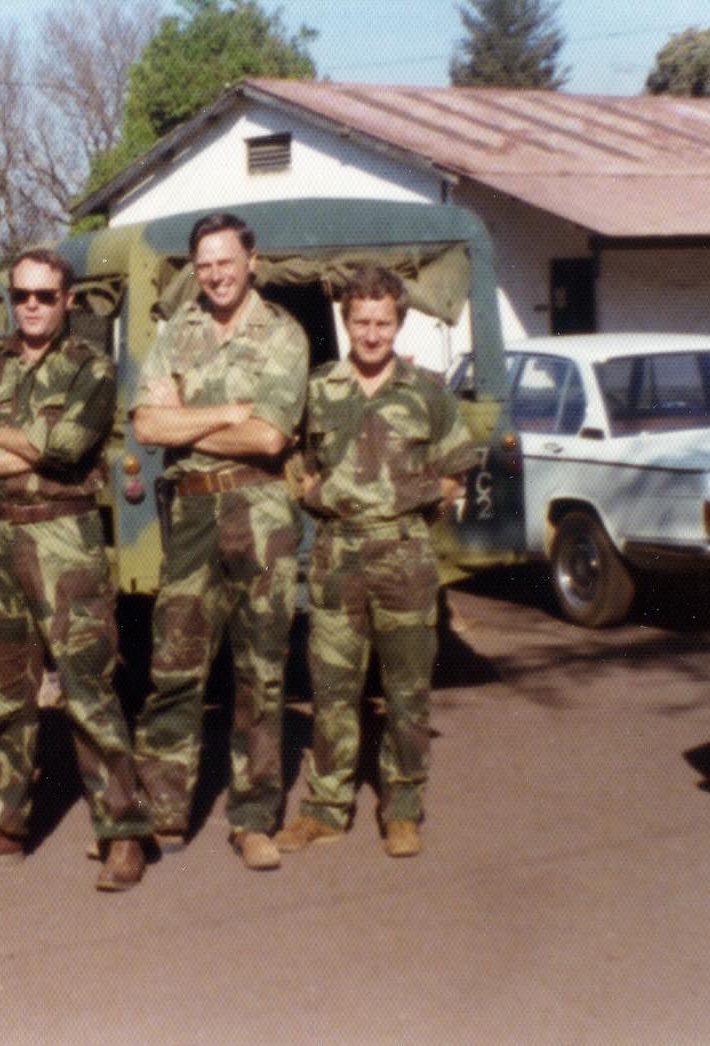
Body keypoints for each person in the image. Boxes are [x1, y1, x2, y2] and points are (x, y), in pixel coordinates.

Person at [0, 248, 153, 892]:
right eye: (22, 295)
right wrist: (20, 446)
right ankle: (0, 823)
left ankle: (122, 833)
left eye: (45, 296)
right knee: (1, 689)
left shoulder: (91, 366)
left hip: (65, 537)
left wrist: (5, 439)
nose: (31, 306)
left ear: (68, 300)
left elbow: (69, 447)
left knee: (87, 687)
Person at [275, 266, 476, 859]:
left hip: (405, 558)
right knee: (333, 688)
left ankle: (403, 808)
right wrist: (312, 496)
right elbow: (291, 457)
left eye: (382, 322)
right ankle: (326, 809)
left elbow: (455, 471)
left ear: (399, 323)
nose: (370, 334)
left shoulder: (427, 392)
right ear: (346, 323)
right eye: (360, 322)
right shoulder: (318, 390)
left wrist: (412, 507)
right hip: (337, 557)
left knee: (408, 691)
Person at [130, 212, 308, 872]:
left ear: (251, 260)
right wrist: (230, 413)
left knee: (259, 673)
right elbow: (147, 425)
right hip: (194, 515)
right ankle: (162, 811)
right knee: (174, 668)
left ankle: (253, 818)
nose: (215, 273)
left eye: (225, 260)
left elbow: (269, 438)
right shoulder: (178, 332)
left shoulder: (283, 334)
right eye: (204, 264)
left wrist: (188, 425)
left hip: (261, 512)